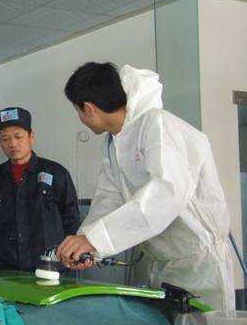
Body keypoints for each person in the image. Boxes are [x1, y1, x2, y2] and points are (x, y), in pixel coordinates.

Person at [57, 62, 235, 311]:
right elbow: (109, 199)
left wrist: (95, 240)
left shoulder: (158, 126)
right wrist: (87, 242)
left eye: (78, 111)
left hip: (199, 265)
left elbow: (166, 195)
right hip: (163, 263)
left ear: (89, 108)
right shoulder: (114, 142)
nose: (80, 118)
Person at [0, 107, 80, 271]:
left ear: (31, 137)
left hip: (50, 268)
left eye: (18, 136)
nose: (12, 144)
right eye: (5, 139)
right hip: (5, 270)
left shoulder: (56, 173)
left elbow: (71, 220)